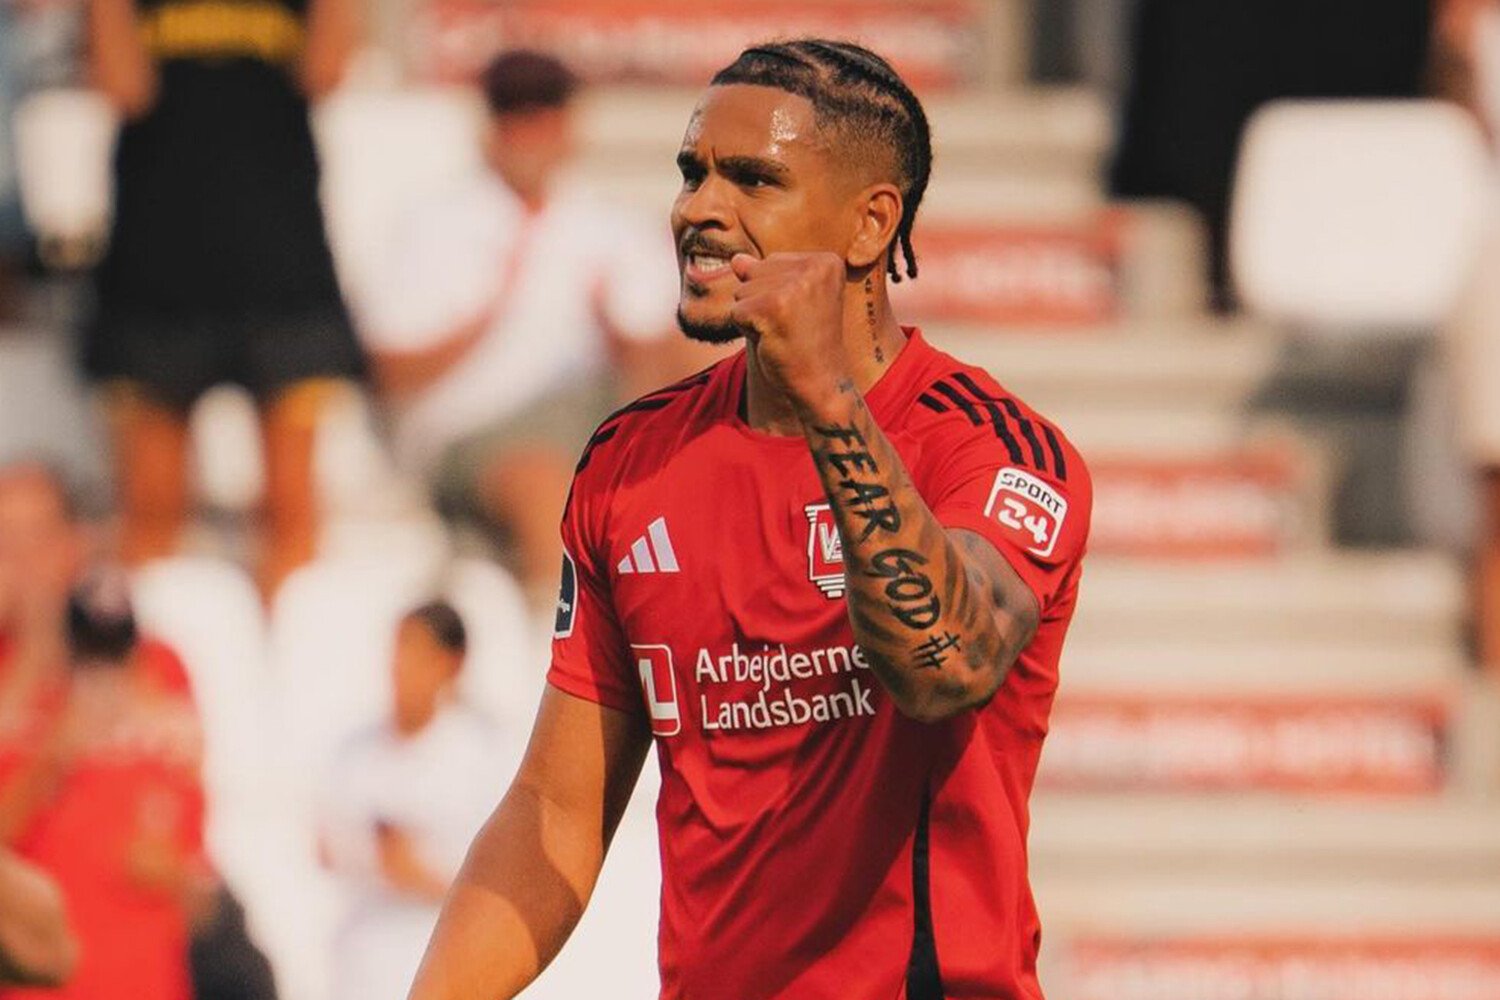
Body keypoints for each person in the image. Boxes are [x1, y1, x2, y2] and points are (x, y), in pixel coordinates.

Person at [407, 39, 1092, 1000]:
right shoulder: (630, 464)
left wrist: (827, 401)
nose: (699, 208)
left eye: (753, 180)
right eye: (692, 173)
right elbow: (555, 812)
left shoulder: (990, 448)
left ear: (869, 225)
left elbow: (945, 664)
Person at [359, 49, 718, 605]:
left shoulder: (605, 224)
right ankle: (559, 643)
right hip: (474, 427)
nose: (531, 133)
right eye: (516, 114)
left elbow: (660, 351)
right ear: (492, 127)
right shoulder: (437, 224)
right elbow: (388, 371)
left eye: (545, 113)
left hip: (590, 411)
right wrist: (487, 314)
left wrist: (620, 341)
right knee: (547, 484)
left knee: (715, 365)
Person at [83, 0, 367, 597]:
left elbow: (328, 71)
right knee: (151, 512)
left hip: (282, 267)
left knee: (291, 513)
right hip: (157, 268)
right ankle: (155, 648)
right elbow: (122, 86)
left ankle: (290, 647)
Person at [0, 559, 211, 1000]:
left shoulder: (165, 724)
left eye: (114, 655)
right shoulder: (30, 717)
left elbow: (197, 883)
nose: (103, 674)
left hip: (144, 982)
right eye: (90, 656)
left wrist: (169, 869)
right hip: (47, 983)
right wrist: (51, 760)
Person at [319, 601, 505, 1000]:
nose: (399, 666)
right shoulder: (355, 750)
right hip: (359, 965)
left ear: (450, 664)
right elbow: (326, 845)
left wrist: (415, 871)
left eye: (416, 652)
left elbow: (495, 884)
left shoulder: (478, 754)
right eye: (398, 648)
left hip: (434, 964)